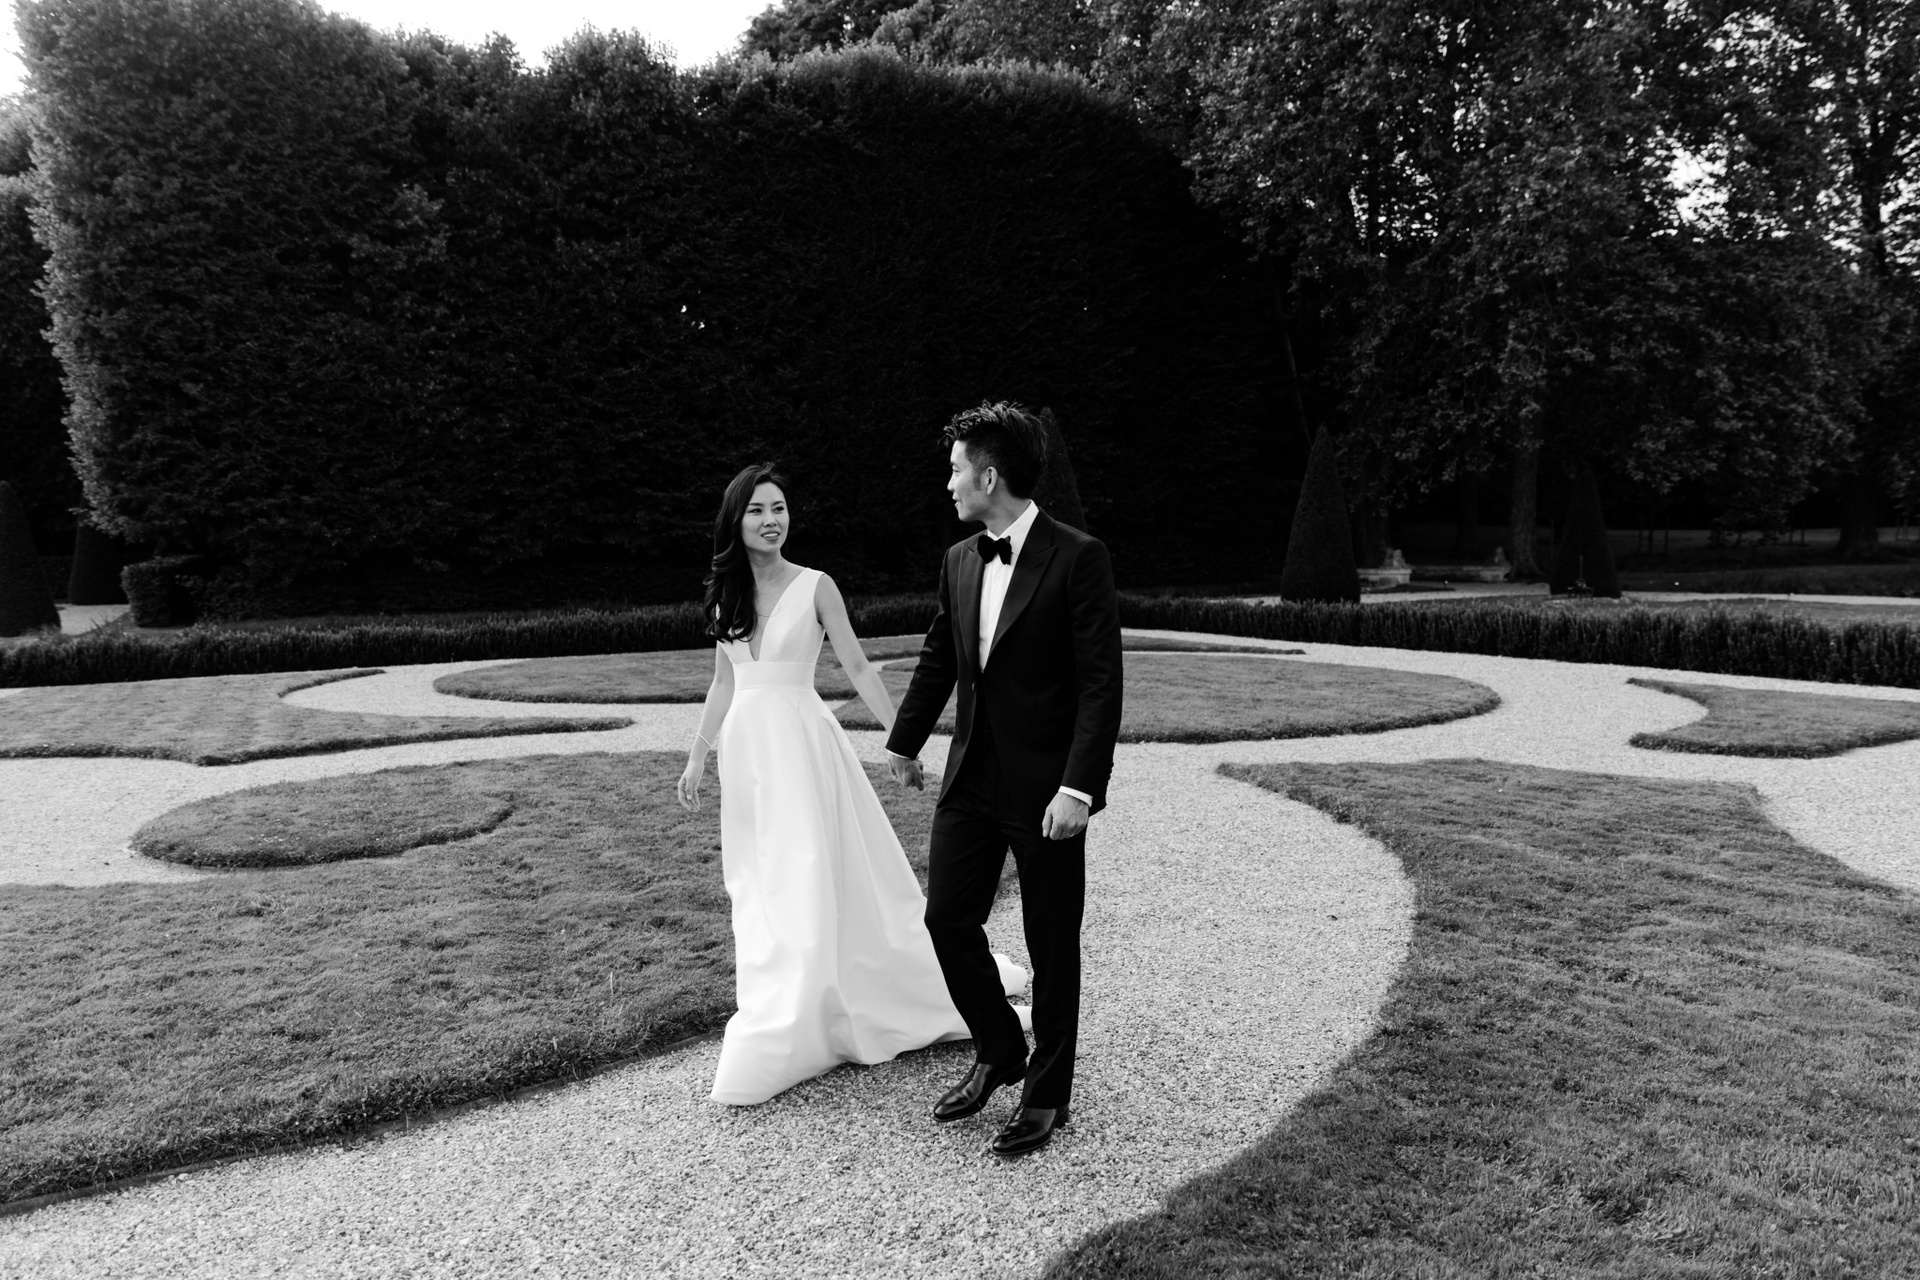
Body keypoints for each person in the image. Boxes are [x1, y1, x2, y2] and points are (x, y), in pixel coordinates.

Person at [677, 463, 1027, 1106]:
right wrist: (698, 754)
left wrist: (901, 739)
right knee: (761, 881)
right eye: (757, 510)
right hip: (748, 755)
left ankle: (825, 1006)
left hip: (802, 748)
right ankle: (785, 998)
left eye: (779, 508)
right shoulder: (725, 595)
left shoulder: (817, 586)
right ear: (735, 520)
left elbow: (860, 667)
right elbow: (724, 680)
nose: (771, 521)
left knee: (810, 870)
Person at [886, 402, 1124, 1158]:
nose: (949, 483)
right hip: (970, 778)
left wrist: (1078, 789)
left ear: (989, 476)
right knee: (945, 920)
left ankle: (1047, 1093)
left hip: (1047, 788)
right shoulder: (960, 559)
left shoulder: (1078, 557)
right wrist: (905, 742)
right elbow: (940, 655)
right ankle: (999, 1047)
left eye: (956, 469)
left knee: (1051, 942)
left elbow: (1100, 685)